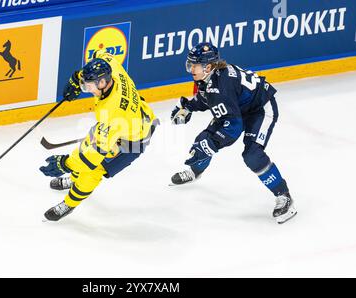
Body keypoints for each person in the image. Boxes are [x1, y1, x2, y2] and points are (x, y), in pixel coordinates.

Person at [170, 42, 296, 224]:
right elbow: (207, 98)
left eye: (194, 65)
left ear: (208, 66)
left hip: (260, 109)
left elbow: (233, 127)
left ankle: (284, 196)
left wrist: (212, 145)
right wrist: (188, 107)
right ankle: (195, 171)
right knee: (203, 140)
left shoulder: (221, 86)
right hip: (237, 108)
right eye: (190, 63)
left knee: (252, 155)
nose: (190, 68)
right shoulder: (209, 78)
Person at [40, 50, 158, 221]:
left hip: (130, 142)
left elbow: (92, 157)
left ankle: (69, 204)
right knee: (84, 148)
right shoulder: (112, 69)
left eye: (88, 85)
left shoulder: (113, 114)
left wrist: (65, 164)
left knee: (92, 170)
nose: (86, 88)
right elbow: (100, 54)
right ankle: (74, 179)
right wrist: (76, 78)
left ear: (102, 82)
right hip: (133, 119)